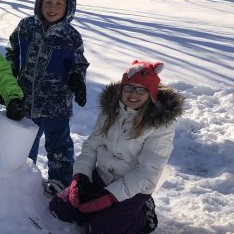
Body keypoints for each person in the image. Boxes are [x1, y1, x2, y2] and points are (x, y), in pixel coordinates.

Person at [49, 60, 183, 234]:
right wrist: (80, 177)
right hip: (102, 176)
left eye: (141, 89)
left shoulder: (160, 125)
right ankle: (103, 212)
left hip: (134, 187)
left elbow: (147, 172)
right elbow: (91, 146)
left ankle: (143, 214)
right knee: (60, 208)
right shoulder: (110, 112)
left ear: (151, 93)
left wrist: (110, 196)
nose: (133, 94)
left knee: (102, 228)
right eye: (128, 87)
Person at [5, 0, 89, 194]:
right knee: (25, 140)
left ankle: (60, 182)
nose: (52, 8)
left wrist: (76, 79)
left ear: (69, 6)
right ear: (39, 2)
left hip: (56, 104)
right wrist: (10, 70)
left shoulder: (70, 37)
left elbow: (78, 63)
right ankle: (22, 175)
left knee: (59, 145)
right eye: (48, 2)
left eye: (58, 3)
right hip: (26, 99)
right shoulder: (26, 27)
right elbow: (12, 49)